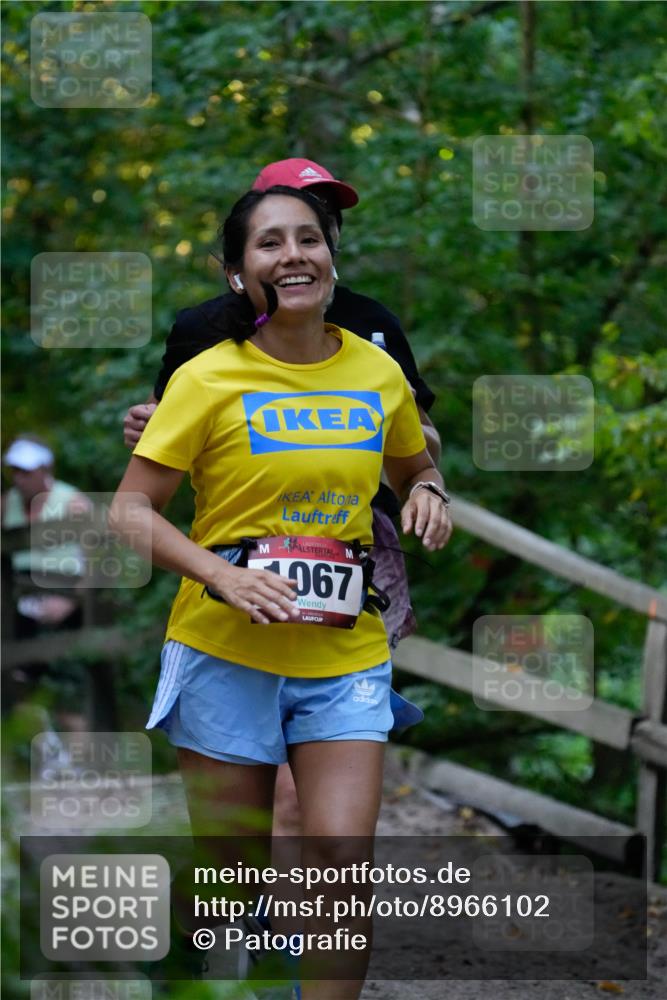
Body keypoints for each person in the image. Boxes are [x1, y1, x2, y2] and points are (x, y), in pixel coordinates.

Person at [111, 185, 451, 1000]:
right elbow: (128, 510)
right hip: (224, 649)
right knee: (231, 882)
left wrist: (429, 488)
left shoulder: (376, 372)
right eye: (269, 244)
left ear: (331, 257)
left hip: (343, 649)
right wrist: (220, 573)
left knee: (340, 862)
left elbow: (413, 462)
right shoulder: (205, 378)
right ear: (237, 274)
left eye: (308, 239)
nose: (292, 254)